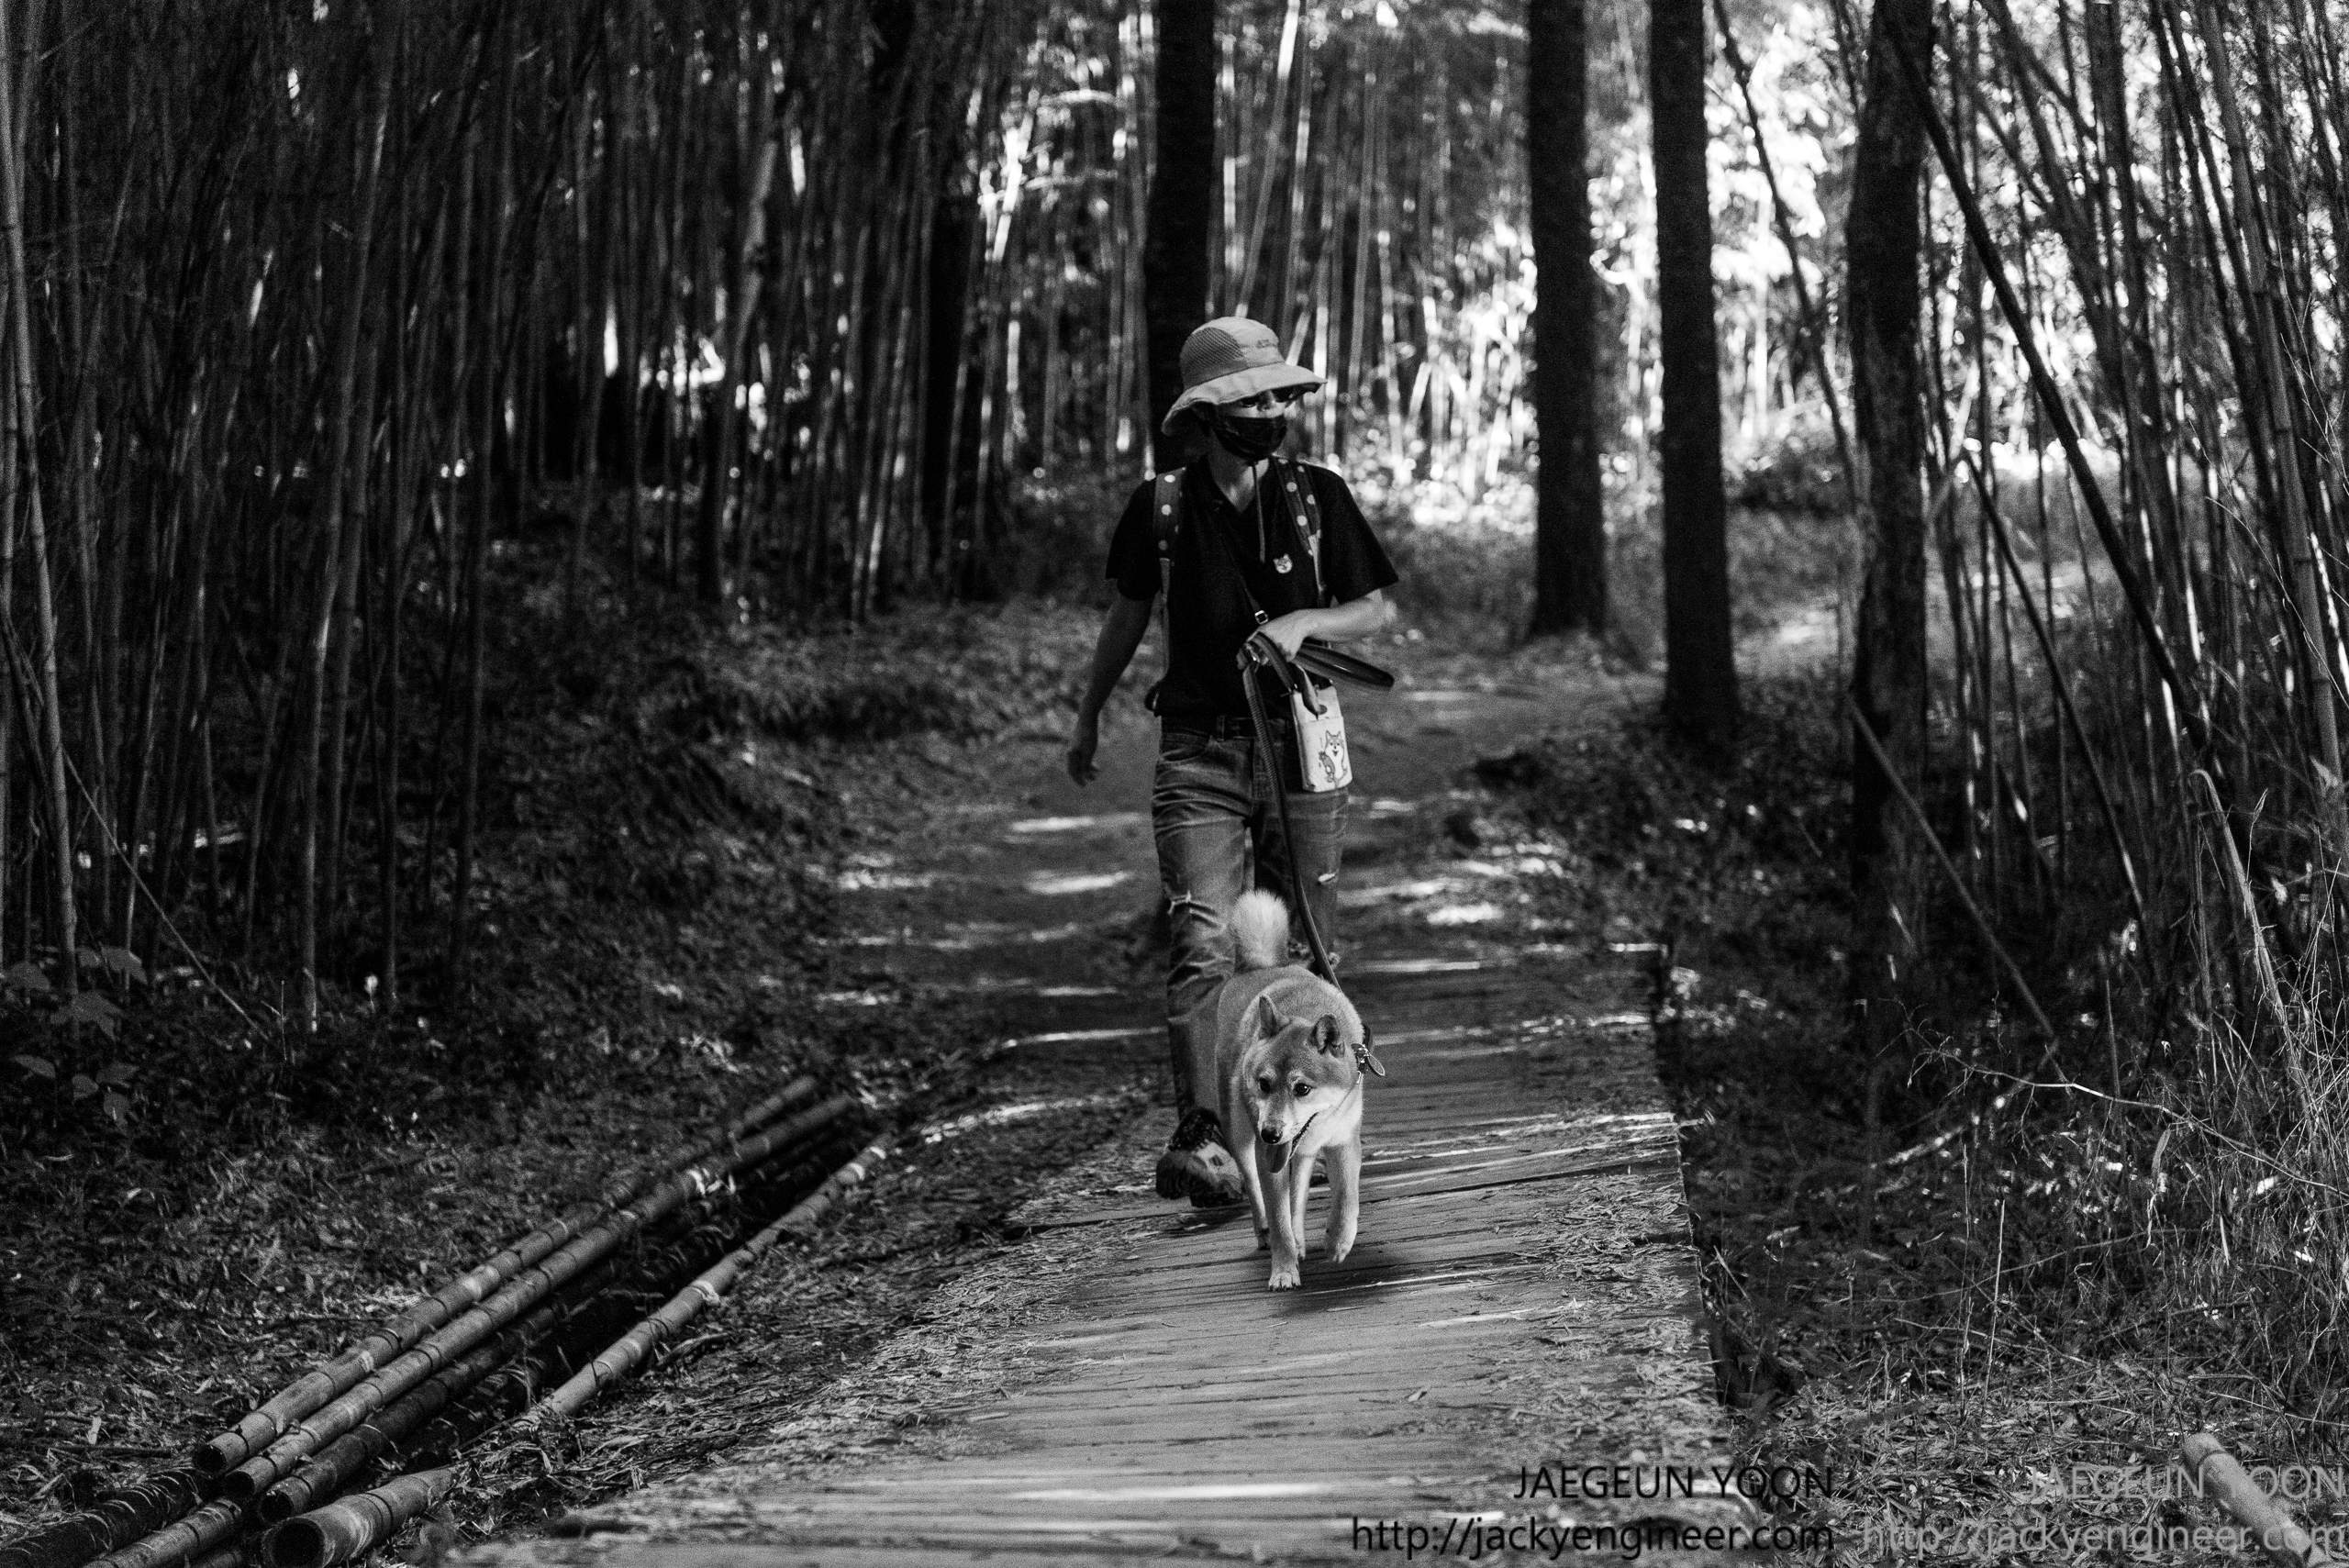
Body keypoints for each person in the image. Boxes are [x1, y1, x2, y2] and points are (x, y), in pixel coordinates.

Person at [1064, 317, 1399, 1206]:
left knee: (1309, 944)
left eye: (1280, 397)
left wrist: (1304, 620)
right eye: (1254, 401)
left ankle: (1315, 1116)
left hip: (1302, 743)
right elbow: (1127, 616)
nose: (1272, 413)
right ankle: (1207, 1137)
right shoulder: (1163, 508)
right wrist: (1088, 716)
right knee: (1203, 941)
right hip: (1198, 748)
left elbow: (1374, 609)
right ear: (1210, 415)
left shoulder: (1316, 497)